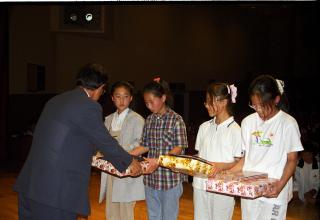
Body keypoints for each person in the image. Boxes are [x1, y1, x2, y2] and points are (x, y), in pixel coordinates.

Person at [13, 63, 142, 220]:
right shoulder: (87, 105)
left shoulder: (55, 100)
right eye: (103, 91)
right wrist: (129, 162)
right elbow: (105, 141)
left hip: (30, 185)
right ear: (100, 87)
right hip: (55, 194)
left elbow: (74, 138)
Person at [229, 74, 304, 220]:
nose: (258, 110)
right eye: (254, 105)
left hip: (275, 190)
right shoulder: (247, 122)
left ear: (276, 100)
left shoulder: (288, 123)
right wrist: (228, 174)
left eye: (262, 105)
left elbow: (292, 160)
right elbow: (247, 158)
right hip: (250, 189)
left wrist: (280, 186)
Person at [130, 77, 188, 220]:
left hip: (170, 179)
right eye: (146, 103)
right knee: (153, 216)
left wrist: (158, 161)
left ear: (163, 98)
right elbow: (145, 145)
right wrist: (126, 154)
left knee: (168, 217)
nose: (149, 106)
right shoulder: (149, 120)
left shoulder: (176, 120)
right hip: (151, 179)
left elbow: (179, 149)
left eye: (151, 101)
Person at [193, 82, 242, 220]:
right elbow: (199, 154)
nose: (207, 105)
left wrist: (219, 166)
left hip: (223, 187)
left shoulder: (236, 130)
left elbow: (239, 162)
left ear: (224, 102)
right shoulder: (204, 127)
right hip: (200, 184)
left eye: (210, 102)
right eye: (206, 102)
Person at [98, 81, 145, 220]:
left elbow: (140, 143)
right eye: (118, 96)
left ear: (131, 98)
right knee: (111, 208)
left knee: (125, 209)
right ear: (112, 98)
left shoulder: (137, 119)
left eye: (125, 96)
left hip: (127, 166)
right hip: (110, 168)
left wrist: (118, 152)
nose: (122, 100)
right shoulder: (108, 119)